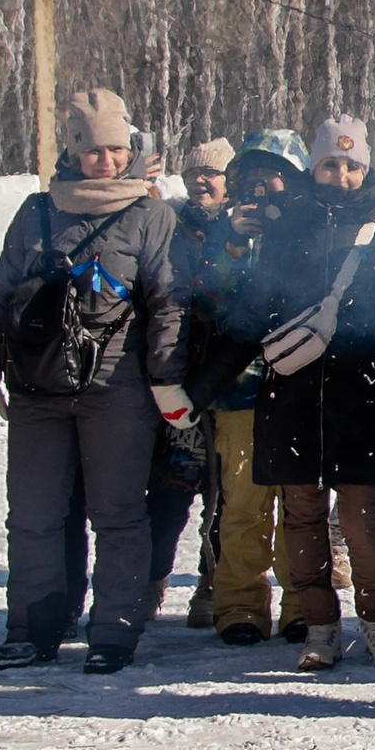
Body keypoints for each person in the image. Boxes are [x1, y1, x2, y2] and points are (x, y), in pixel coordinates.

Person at [0, 86, 187, 675]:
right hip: (37, 392)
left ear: (130, 148)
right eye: (93, 151)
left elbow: (167, 303)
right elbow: (0, 297)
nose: (105, 161)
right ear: (73, 152)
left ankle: (114, 629)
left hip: (117, 392)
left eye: (115, 149)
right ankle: (31, 628)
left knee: (117, 513)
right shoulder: (38, 211)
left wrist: (166, 380)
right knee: (33, 516)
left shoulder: (150, 215)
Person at [231, 113, 375, 671]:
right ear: (313, 167)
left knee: (362, 513)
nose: (340, 174)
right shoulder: (288, 224)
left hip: (363, 389)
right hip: (294, 388)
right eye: (328, 164)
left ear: (365, 167)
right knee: (300, 512)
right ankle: (319, 627)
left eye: (350, 164)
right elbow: (257, 305)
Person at [180, 135, 306, 645]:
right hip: (239, 390)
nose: (262, 184)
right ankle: (239, 605)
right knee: (241, 506)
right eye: (251, 174)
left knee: (299, 505)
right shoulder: (223, 233)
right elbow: (209, 300)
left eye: (273, 173)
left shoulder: (312, 226)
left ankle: (303, 602)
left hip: (299, 387)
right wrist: (231, 244)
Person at [166, 139, 239, 626]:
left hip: (228, 376)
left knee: (226, 492)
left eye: (211, 173)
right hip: (176, 376)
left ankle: (214, 583)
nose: (201, 181)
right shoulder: (170, 226)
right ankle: (149, 581)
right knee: (172, 488)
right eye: (194, 173)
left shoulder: (243, 227)